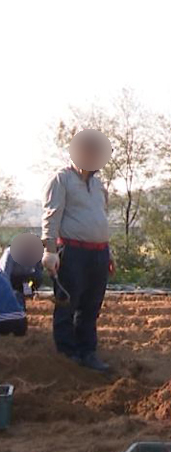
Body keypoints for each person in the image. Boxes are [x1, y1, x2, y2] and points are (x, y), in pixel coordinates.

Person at [41, 129, 114, 372]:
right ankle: (67, 356)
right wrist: (50, 251)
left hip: (98, 253)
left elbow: (99, 219)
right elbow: (51, 217)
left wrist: (108, 252)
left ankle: (88, 352)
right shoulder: (61, 180)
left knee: (91, 306)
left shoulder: (97, 184)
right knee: (67, 304)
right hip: (73, 252)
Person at [1, 235, 44, 310]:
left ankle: (23, 303)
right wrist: (9, 292)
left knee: (29, 282)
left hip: (24, 280)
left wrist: (31, 289)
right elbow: (5, 275)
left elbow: (38, 274)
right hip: (8, 278)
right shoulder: (10, 253)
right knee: (16, 295)